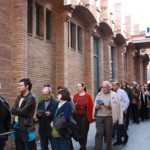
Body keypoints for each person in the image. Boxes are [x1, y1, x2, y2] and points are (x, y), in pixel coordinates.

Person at [93, 81, 123, 150]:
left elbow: (117, 106)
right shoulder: (99, 94)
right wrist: (97, 107)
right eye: (103, 87)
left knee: (109, 134)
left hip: (109, 117)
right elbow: (95, 105)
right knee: (99, 133)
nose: (103, 89)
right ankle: (97, 148)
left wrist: (109, 106)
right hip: (99, 116)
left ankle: (108, 148)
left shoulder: (114, 95)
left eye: (105, 87)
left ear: (109, 88)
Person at [11, 78, 37, 150]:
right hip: (17, 126)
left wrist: (16, 110)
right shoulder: (19, 96)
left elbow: (23, 111)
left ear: (27, 86)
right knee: (19, 147)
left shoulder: (31, 98)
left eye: (21, 85)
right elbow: (12, 109)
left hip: (26, 126)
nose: (19, 87)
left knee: (27, 147)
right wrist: (17, 110)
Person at [73, 82, 94, 150]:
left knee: (84, 131)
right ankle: (81, 144)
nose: (78, 88)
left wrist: (91, 117)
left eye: (79, 86)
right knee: (78, 131)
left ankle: (83, 146)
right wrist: (75, 106)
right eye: (77, 87)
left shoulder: (88, 95)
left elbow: (91, 106)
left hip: (85, 116)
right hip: (77, 115)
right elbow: (73, 105)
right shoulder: (75, 95)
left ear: (83, 87)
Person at [112, 81, 129, 146]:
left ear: (117, 86)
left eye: (114, 85)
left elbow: (127, 101)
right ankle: (120, 139)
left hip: (121, 112)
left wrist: (122, 110)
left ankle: (123, 138)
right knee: (117, 126)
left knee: (120, 125)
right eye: (112, 85)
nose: (112, 86)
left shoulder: (122, 92)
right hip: (115, 112)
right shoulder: (113, 93)